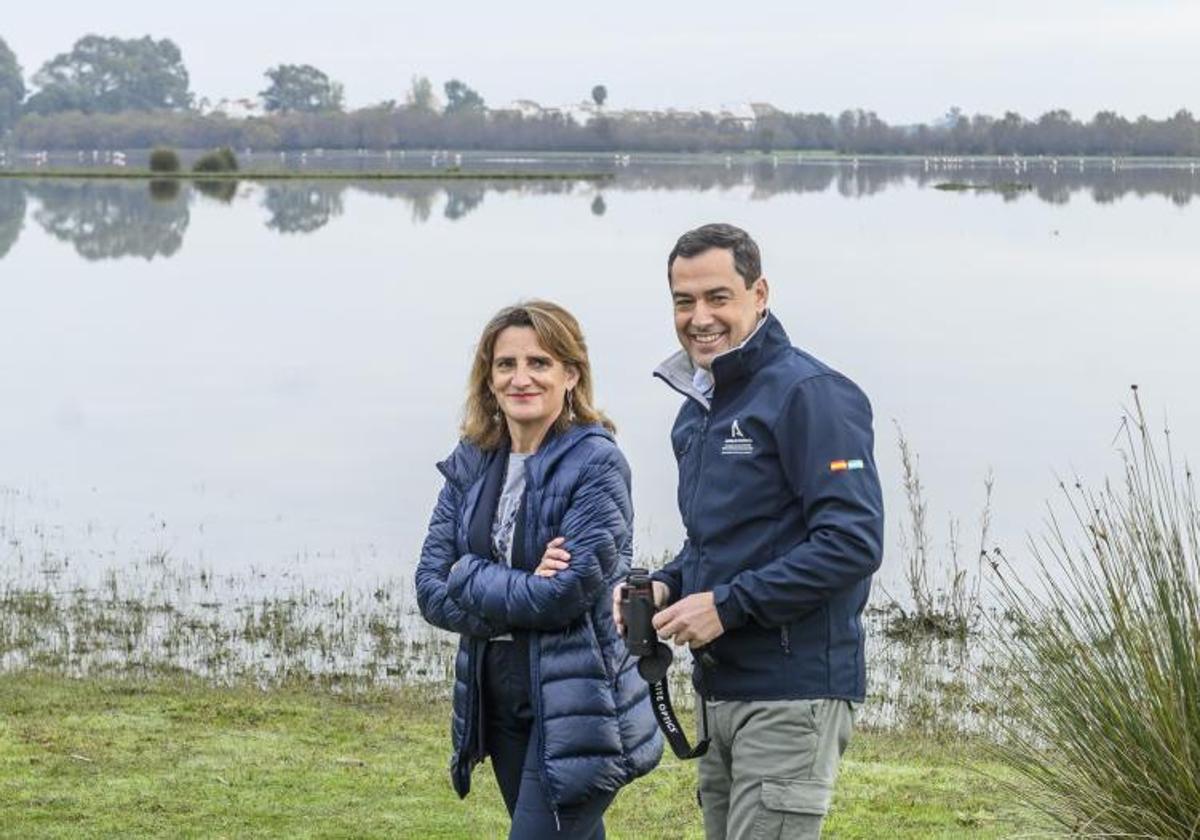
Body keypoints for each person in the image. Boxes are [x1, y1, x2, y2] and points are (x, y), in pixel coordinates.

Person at [614, 223, 884, 839]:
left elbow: (854, 540)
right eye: (684, 301)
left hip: (792, 695)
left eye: (717, 297)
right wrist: (664, 587)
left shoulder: (811, 394)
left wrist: (728, 606)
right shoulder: (699, 409)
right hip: (721, 688)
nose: (699, 317)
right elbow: (718, 546)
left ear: (759, 294)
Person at [416, 300, 662, 839]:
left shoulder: (597, 463)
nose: (520, 378)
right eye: (506, 364)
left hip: (579, 703)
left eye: (539, 363)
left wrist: (469, 574)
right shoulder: (473, 459)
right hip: (497, 692)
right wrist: (521, 582)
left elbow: (563, 596)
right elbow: (431, 590)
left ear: (570, 374)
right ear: (489, 376)